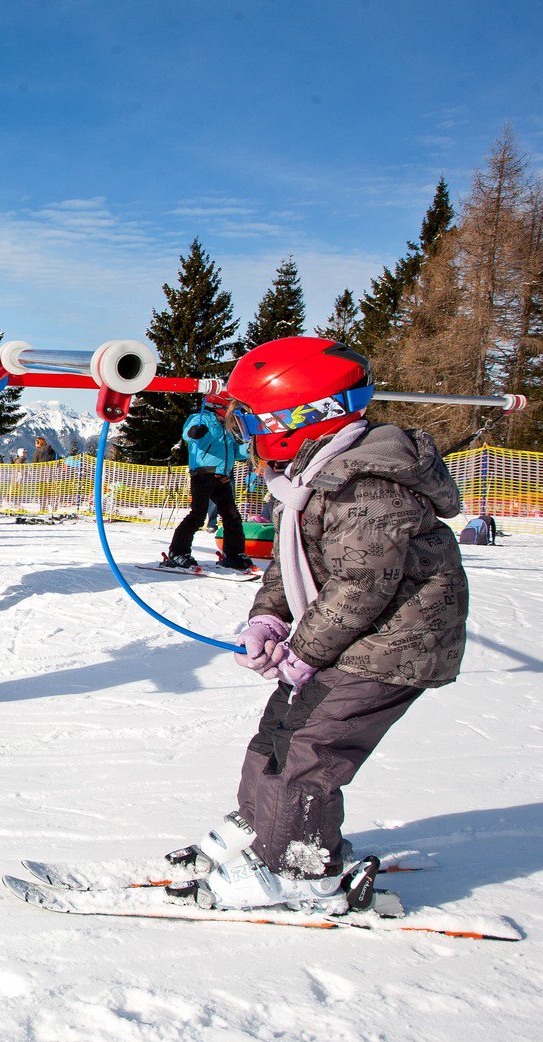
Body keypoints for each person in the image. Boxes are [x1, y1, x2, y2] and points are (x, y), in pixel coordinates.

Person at [179, 336, 468, 914]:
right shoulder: (309, 476)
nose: (247, 436)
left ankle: (302, 869)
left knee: (316, 746)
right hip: (351, 635)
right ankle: (263, 827)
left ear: (297, 418)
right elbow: (298, 567)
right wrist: (266, 619)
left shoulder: (365, 485)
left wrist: (304, 649)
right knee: (281, 726)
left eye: (250, 421)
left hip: (394, 644)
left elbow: (363, 584)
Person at [161, 394, 251, 571]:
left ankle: (233, 555)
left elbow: (235, 452)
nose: (233, 413)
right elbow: (188, 434)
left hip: (222, 476)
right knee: (198, 515)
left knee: (232, 516)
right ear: (219, 407)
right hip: (203, 474)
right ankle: (178, 552)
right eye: (230, 409)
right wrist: (194, 432)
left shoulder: (227, 428)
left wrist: (250, 449)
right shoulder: (201, 418)